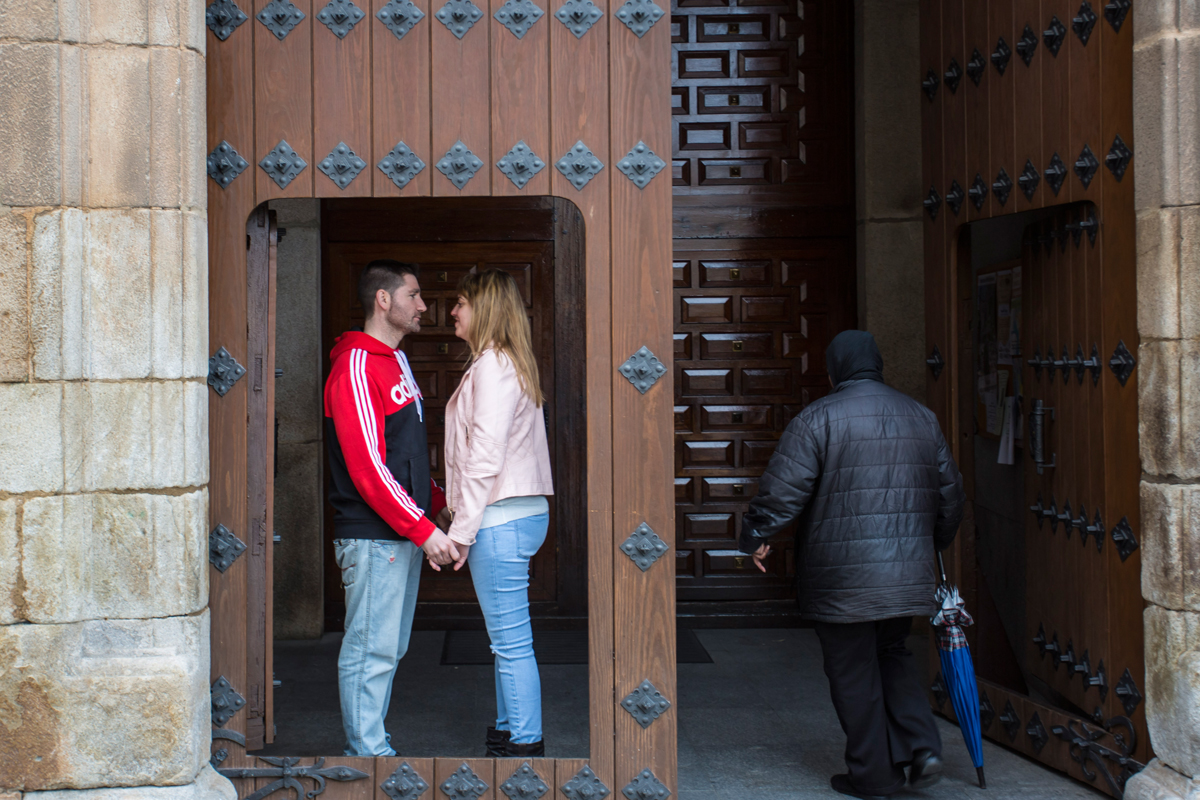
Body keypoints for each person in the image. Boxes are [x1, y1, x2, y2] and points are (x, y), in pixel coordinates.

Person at [739, 330, 965, 800]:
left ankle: (873, 775)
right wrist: (928, 547)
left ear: (835, 368)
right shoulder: (923, 418)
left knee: (852, 670)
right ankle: (923, 747)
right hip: (905, 574)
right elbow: (950, 497)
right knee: (893, 655)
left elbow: (784, 490)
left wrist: (757, 536)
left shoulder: (818, 418)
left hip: (842, 579)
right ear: (877, 365)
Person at [323, 259, 460, 756]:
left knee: (388, 648)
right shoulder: (355, 366)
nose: (423, 305)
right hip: (373, 534)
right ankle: (368, 758)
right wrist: (424, 530)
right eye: (413, 295)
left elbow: (407, 454)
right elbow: (369, 470)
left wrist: (437, 508)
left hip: (401, 531)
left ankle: (371, 745)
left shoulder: (395, 362)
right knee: (370, 650)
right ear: (384, 300)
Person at [438, 269, 555, 758]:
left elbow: (484, 454)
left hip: (500, 518)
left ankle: (525, 743)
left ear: (483, 308)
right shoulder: (504, 363)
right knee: (504, 637)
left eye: (461, 302)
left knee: (509, 640)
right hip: (512, 514)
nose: (452, 312)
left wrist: (460, 532)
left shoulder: (494, 366)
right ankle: (510, 727)